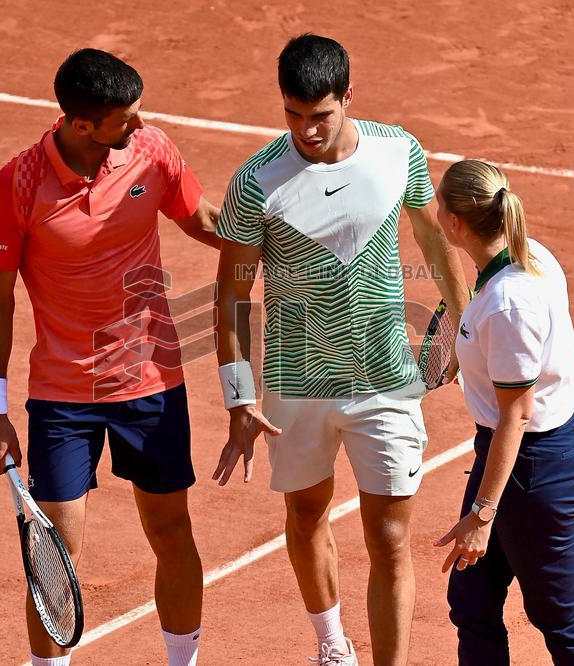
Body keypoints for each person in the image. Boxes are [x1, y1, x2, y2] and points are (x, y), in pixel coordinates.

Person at [212, 34, 469, 666]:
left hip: (385, 381)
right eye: (293, 116)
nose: (306, 131)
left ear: (347, 96)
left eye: (320, 115)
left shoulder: (398, 150)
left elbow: (434, 242)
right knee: (306, 517)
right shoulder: (255, 183)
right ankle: (332, 647)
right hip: (295, 387)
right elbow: (232, 299)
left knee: (388, 540)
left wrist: (463, 322)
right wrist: (239, 398)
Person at [0, 48, 219, 666]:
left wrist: (292, 236)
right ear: (82, 125)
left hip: (150, 381)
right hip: (62, 396)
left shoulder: (152, 152)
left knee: (171, 533)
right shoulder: (18, 183)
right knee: (53, 548)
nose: (140, 126)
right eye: (125, 119)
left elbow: (206, 223)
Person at [432, 160, 574, 665]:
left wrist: (483, 515)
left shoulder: (508, 305)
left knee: (559, 618)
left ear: (456, 223)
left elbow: (516, 416)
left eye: (440, 204)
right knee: (472, 599)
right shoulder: (529, 256)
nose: (434, 210)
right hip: (516, 457)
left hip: (532, 467)